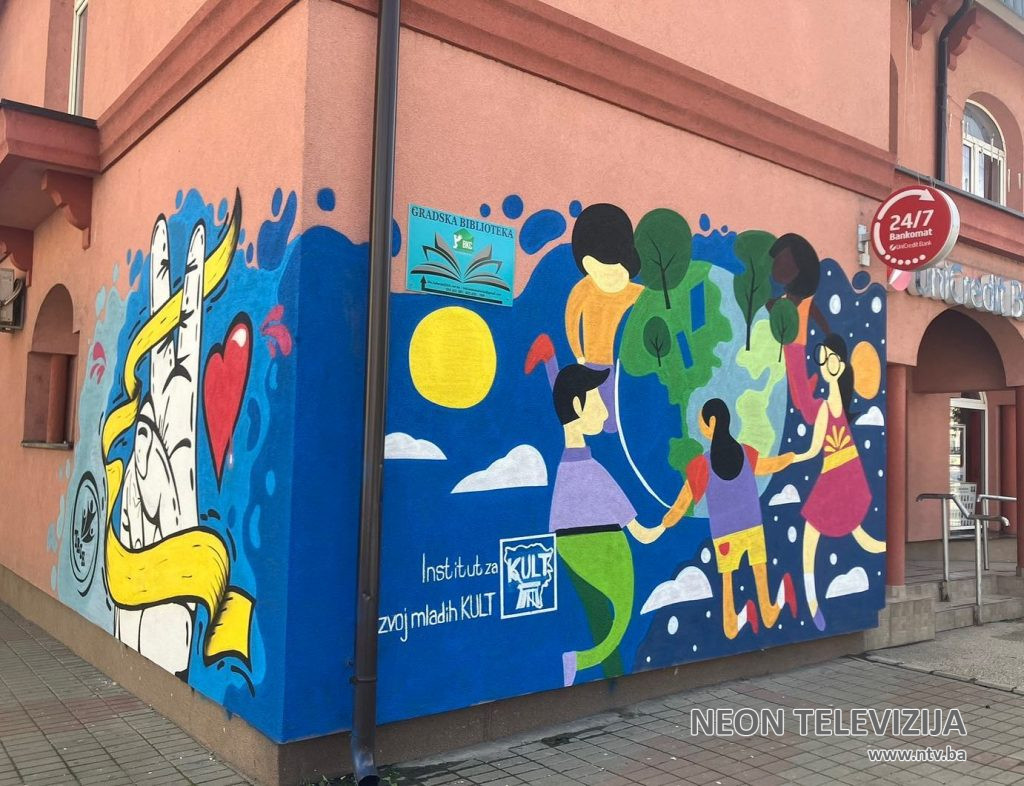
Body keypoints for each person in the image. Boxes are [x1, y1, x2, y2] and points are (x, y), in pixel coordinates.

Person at [548, 364, 665, 686]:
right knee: (618, 621)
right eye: (598, 400)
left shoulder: (567, 470)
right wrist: (663, 526)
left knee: (609, 624)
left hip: (573, 546)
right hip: (603, 547)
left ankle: (580, 663)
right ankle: (579, 662)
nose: (604, 410)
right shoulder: (590, 471)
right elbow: (639, 532)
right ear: (577, 406)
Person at [662, 399, 797, 639]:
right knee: (761, 581)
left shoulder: (701, 465)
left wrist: (663, 523)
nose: (700, 427)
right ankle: (770, 608)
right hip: (752, 527)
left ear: (712, 422)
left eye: (702, 422)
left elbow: (681, 504)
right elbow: (769, 466)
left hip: (725, 534)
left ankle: (736, 621)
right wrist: (791, 457)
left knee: (728, 588)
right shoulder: (746, 453)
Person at [787, 315, 886, 631]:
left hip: (844, 472)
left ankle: (812, 601)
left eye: (831, 359)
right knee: (855, 536)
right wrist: (789, 458)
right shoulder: (826, 407)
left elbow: (814, 449)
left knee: (839, 535)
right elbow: (814, 449)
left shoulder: (834, 406)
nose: (826, 364)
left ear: (841, 366)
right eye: (823, 358)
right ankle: (812, 602)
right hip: (838, 474)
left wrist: (788, 459)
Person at [526, 204, 642, 432]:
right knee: (584, 416)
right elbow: (572, 320)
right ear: (588, 264)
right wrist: (579, 356)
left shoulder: (637, 294)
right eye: (601, 267)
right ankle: (549, 359)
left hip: (623, 366)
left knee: (611, 425)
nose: (609, 275)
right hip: (592, 363)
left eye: (615, 268)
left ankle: (548, 357)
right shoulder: (584, 289)